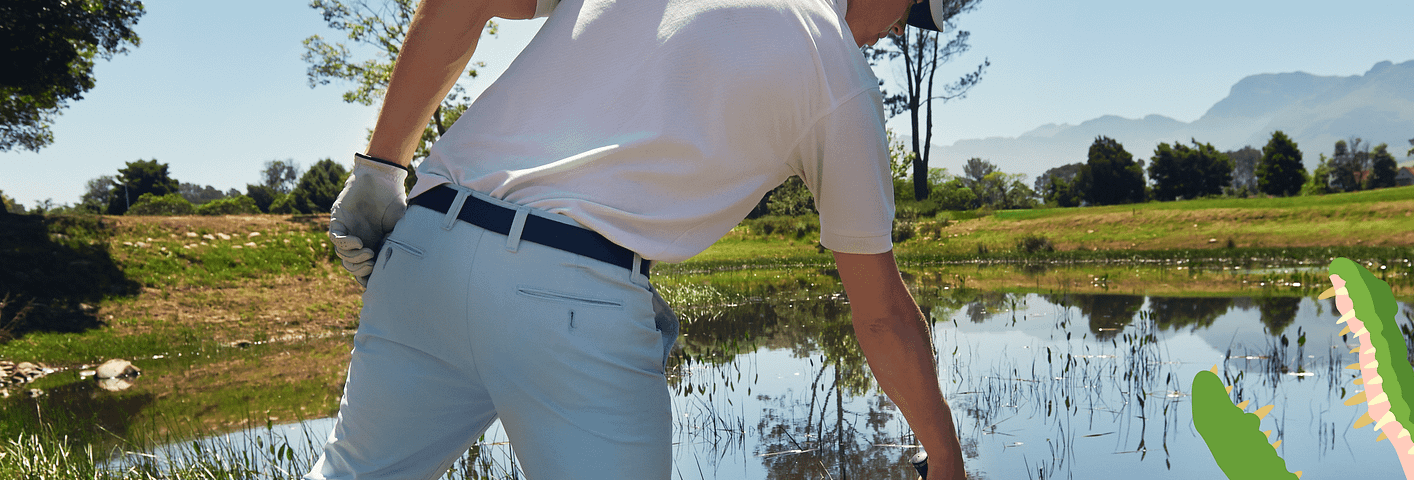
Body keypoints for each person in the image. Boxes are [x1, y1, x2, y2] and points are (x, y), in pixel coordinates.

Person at [311, 0, 964, 478]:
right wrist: (949, 461)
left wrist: (379, 169)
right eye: (910, 14)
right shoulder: (838, 71)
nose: (895, 32)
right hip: (569, 298)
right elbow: (882, 315)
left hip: (427, 243)